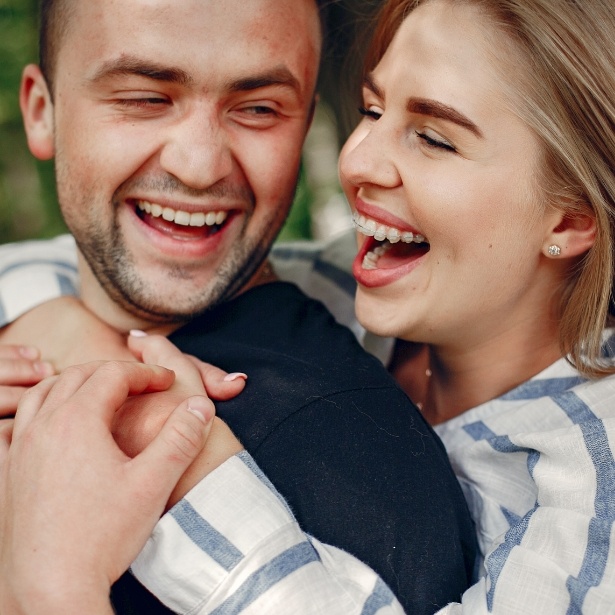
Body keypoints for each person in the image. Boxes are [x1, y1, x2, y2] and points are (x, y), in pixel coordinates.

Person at [4, 0, 615, 613]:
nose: (357, 160)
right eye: (371, 111)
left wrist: (58, 582)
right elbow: (89, 262)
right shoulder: (339, 287)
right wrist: (64, 333)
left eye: (433, 138)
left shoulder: (593, 477)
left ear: (570, 216)